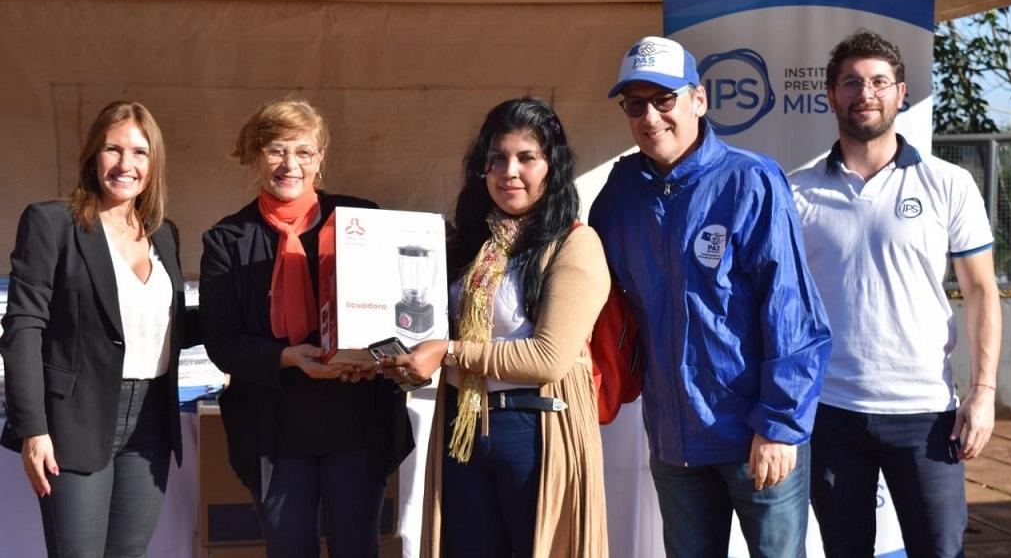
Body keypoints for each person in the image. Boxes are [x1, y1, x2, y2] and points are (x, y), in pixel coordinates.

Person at [589, 36, 832, 558]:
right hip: (676, 444)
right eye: (636, 104)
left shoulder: (750, 181)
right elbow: (595, 293)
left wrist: (780, 427)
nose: (651, 117)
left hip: (756, 437)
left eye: (664, 99)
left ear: (698, 100)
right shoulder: (620, 192)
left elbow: (791, 311)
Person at [790, 30, 1002, 557]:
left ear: (901, 92)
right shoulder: (796, 191)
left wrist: (983, 392)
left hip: (927, 416)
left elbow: (980, 291)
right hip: (830, 412)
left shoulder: (948, 183)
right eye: (852, 83)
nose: (867, 93)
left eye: (879, 82)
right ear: (831, 95)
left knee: (939, 551)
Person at [379, 97, 610, 558]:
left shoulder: (574, 244)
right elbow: (427, 330)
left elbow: (548, 358)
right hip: (462, 431)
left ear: (552, 168)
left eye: (527, 158)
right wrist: (405, 361)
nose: (509, 171)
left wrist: (446, 352)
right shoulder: (465, 243)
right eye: (497, 159)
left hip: (536, 432)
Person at [199, 98, 413, 558]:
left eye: (304, 151)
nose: (290, 164)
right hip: (274, 427)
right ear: (256, 157)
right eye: (276, 150)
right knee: (288, 548)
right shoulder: (226, 240)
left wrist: (375, 356)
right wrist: (285, 356)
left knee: (356, 546)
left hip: (357, 418)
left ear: (321, 159)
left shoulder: (361, 220)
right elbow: (220, 341)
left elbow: (393, 309)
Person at [1, 101, 194, 556]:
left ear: (155, 163)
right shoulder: (52, 222)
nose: (126, 164)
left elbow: (170, 322)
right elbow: (23, 327)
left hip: (150, 420)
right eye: (114, 149)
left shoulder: (164, 233)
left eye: (140, 152)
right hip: (75, 420)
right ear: (93, 155)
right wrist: (33, 428)